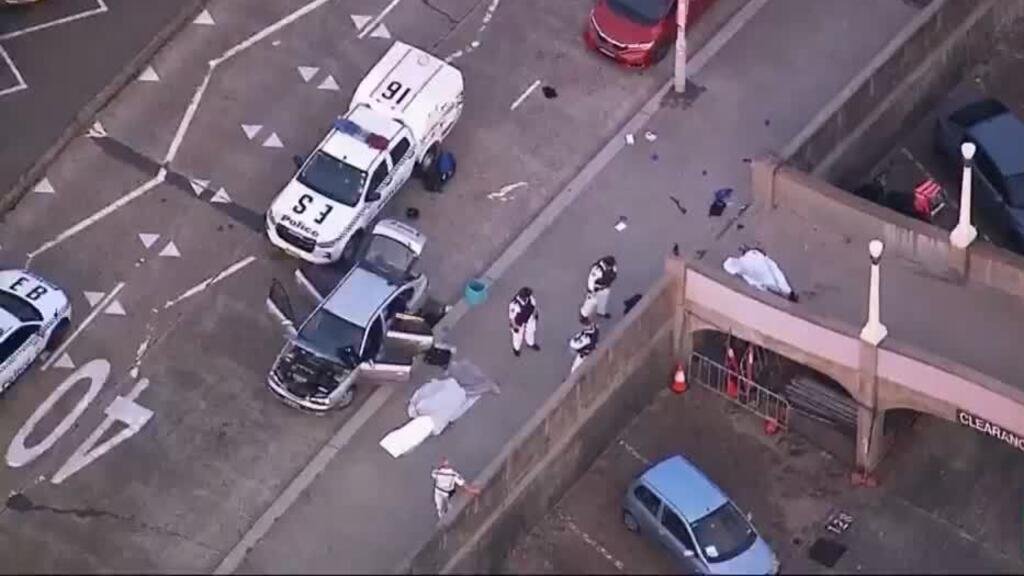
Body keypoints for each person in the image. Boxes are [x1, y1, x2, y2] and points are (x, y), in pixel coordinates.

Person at [579, 256, 617, 324]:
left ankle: (600, 312)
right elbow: (591, 280)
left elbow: (613, 275)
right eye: (609, 266)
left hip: (605, 287)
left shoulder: (613, 267)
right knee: (590, 303)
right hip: (596, 289)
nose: (611, 267)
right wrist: (591, 291)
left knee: (603, 300)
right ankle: (583, 316)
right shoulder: (597, 270)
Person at [508, 286, 540, 357]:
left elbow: (534, 306)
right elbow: (512, 317)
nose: (529, 297)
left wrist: (536, 314)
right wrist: (515, 326)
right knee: (517, 336)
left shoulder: (530, 298)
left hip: (529, 317)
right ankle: (516, 349)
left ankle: (530, 343)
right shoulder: (514, 304)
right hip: (518, 321)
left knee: (531, 331)